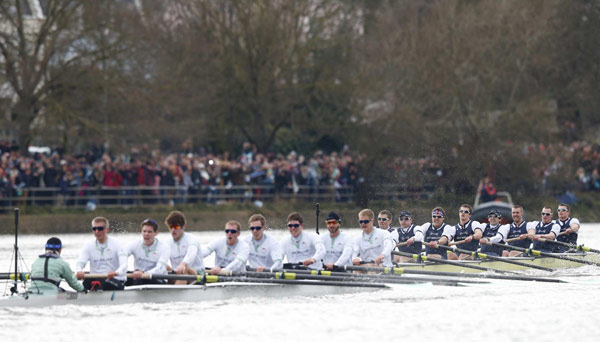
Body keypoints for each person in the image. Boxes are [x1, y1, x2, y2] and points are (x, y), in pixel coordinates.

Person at [75, 216, 128, 291]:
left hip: (115, 280)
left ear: (107, 229)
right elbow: (80, 263)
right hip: (96, 281)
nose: (97, 231)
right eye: (94, 229)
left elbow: (124, 265)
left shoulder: (118, 244)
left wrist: (116, 273)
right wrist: (79, 270)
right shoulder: (88, 246)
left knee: (104, 282)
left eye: (100, 229)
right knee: (86, 282)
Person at [126, 218, 171, 285]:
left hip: (157, 278)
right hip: (139, 276)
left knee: (140, 279)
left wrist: (144, 274)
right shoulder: (135, 244)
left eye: (149, 232)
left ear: (156, 233)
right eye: (144, 231)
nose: (146, 234)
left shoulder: (165, 248)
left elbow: (160, 269)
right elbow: (122, 255)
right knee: (119, 278)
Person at [165, 211, 205, 285]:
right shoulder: (168, 243)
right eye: (171, 227)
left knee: (185, 269)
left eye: (176, 227)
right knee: (164, 266)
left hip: (198, 274)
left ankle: (176, 294)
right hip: (178, 274)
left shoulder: (192, 239)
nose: (173, 230)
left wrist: (183, 264)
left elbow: (191, 254)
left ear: (183, 227)